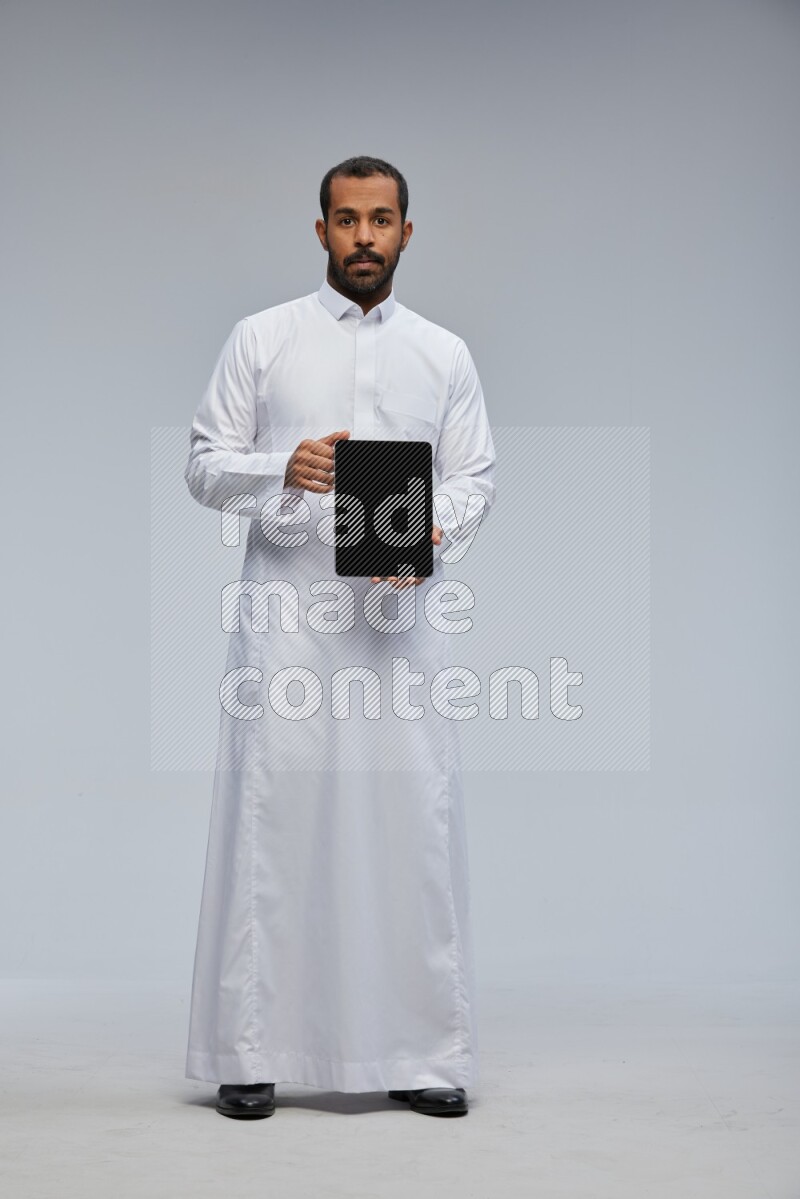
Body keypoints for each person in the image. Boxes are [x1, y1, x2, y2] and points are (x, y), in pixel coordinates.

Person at [183, 155, 497, 1120]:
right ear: (320, 230)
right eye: (348, 219)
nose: (365, 236)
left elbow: (475, 476)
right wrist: (285, 465)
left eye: (382, 219)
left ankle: (419, 1052)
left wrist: (431, 532)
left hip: (398, 627)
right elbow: (204, 465)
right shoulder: (263, 338)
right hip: (289, 622)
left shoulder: (443, 353)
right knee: (276, 822)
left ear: (407, 232)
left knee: (410, 823)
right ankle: (251, 1049)